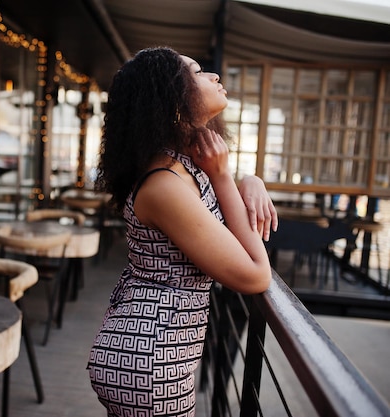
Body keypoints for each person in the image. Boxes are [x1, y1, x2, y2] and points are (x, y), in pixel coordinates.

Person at [87, 46, 277, 417]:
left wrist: (248, 181)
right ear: (174, 100)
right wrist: (223, 176)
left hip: (153, 352)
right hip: (148, 358)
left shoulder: (182, 166)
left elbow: (221, 214)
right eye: (197, 73)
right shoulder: (165, 185)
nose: (213, 77)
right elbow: (255, 276)